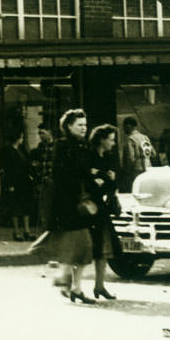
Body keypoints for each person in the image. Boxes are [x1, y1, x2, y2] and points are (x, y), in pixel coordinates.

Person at [48, 108, 95, 304]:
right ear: (68, 126)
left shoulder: (82, 145)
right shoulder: (63, 145)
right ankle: (65, 278)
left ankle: (73, 286)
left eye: (85, 125)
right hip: (67, 202)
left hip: (78, 201)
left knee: (83, 245)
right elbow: (60, 173)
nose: (84, 128)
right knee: (80, 243)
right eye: (79, 125)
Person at [87, 124, 122, 300]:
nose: (113, 143)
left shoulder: (107, 158)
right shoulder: (89, 156)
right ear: (102, 139)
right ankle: (71, 284)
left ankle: (99, 285)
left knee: (103, 247)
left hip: (101, 207)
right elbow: (89, 179)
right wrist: (102, 177)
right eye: (111, 139)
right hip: (88, 208)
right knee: (85, 248)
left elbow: (111, 184)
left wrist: (106, 178)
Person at [0, 129, 35, 241]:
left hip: (24, 182)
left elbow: (27, 162)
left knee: (26, 206)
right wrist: (9, 184)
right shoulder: (6, 151)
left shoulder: (22, 149)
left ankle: (27, 231)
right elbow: (6, 168)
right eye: (21, 137)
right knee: (15, 207)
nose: (22, 139)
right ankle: (16, 231)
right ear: (17, 138)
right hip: (13, 182)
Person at [29, 124, 55, 228]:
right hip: (42, 181)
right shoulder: (38, 150)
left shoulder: (56, 147)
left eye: (43, 133)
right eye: (40, 133)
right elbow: (34, 166)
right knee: (43, 204)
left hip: (54, 181)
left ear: (50, 133)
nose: (41, 136)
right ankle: (46, 226)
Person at [120, 117, 155, 191]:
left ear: (128, 126)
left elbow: (130, 159)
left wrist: (126, 173)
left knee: (136, 190)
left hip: (135, 171)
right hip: (148, 168)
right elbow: (153, 154)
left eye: (124, 127)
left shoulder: (130, 139)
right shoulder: (145, 137)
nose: (123, 129)